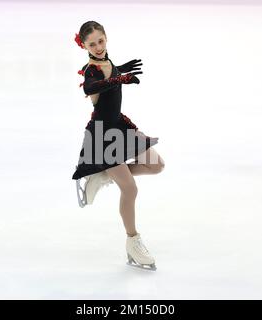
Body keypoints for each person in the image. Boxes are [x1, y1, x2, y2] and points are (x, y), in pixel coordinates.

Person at [72, 21, 165, 271]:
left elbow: (109, 72)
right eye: (92, 44)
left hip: (120, 125)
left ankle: (104, 173)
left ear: (106, 38)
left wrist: (119, 70)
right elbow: (92, 86)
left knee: (156, 165)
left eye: (101, 41)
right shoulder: (89, 70)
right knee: (130, 189)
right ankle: (133, 241)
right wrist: (120, 78)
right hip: (103, 136)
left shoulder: (106, 61)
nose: (98, 47)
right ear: (84, 46)